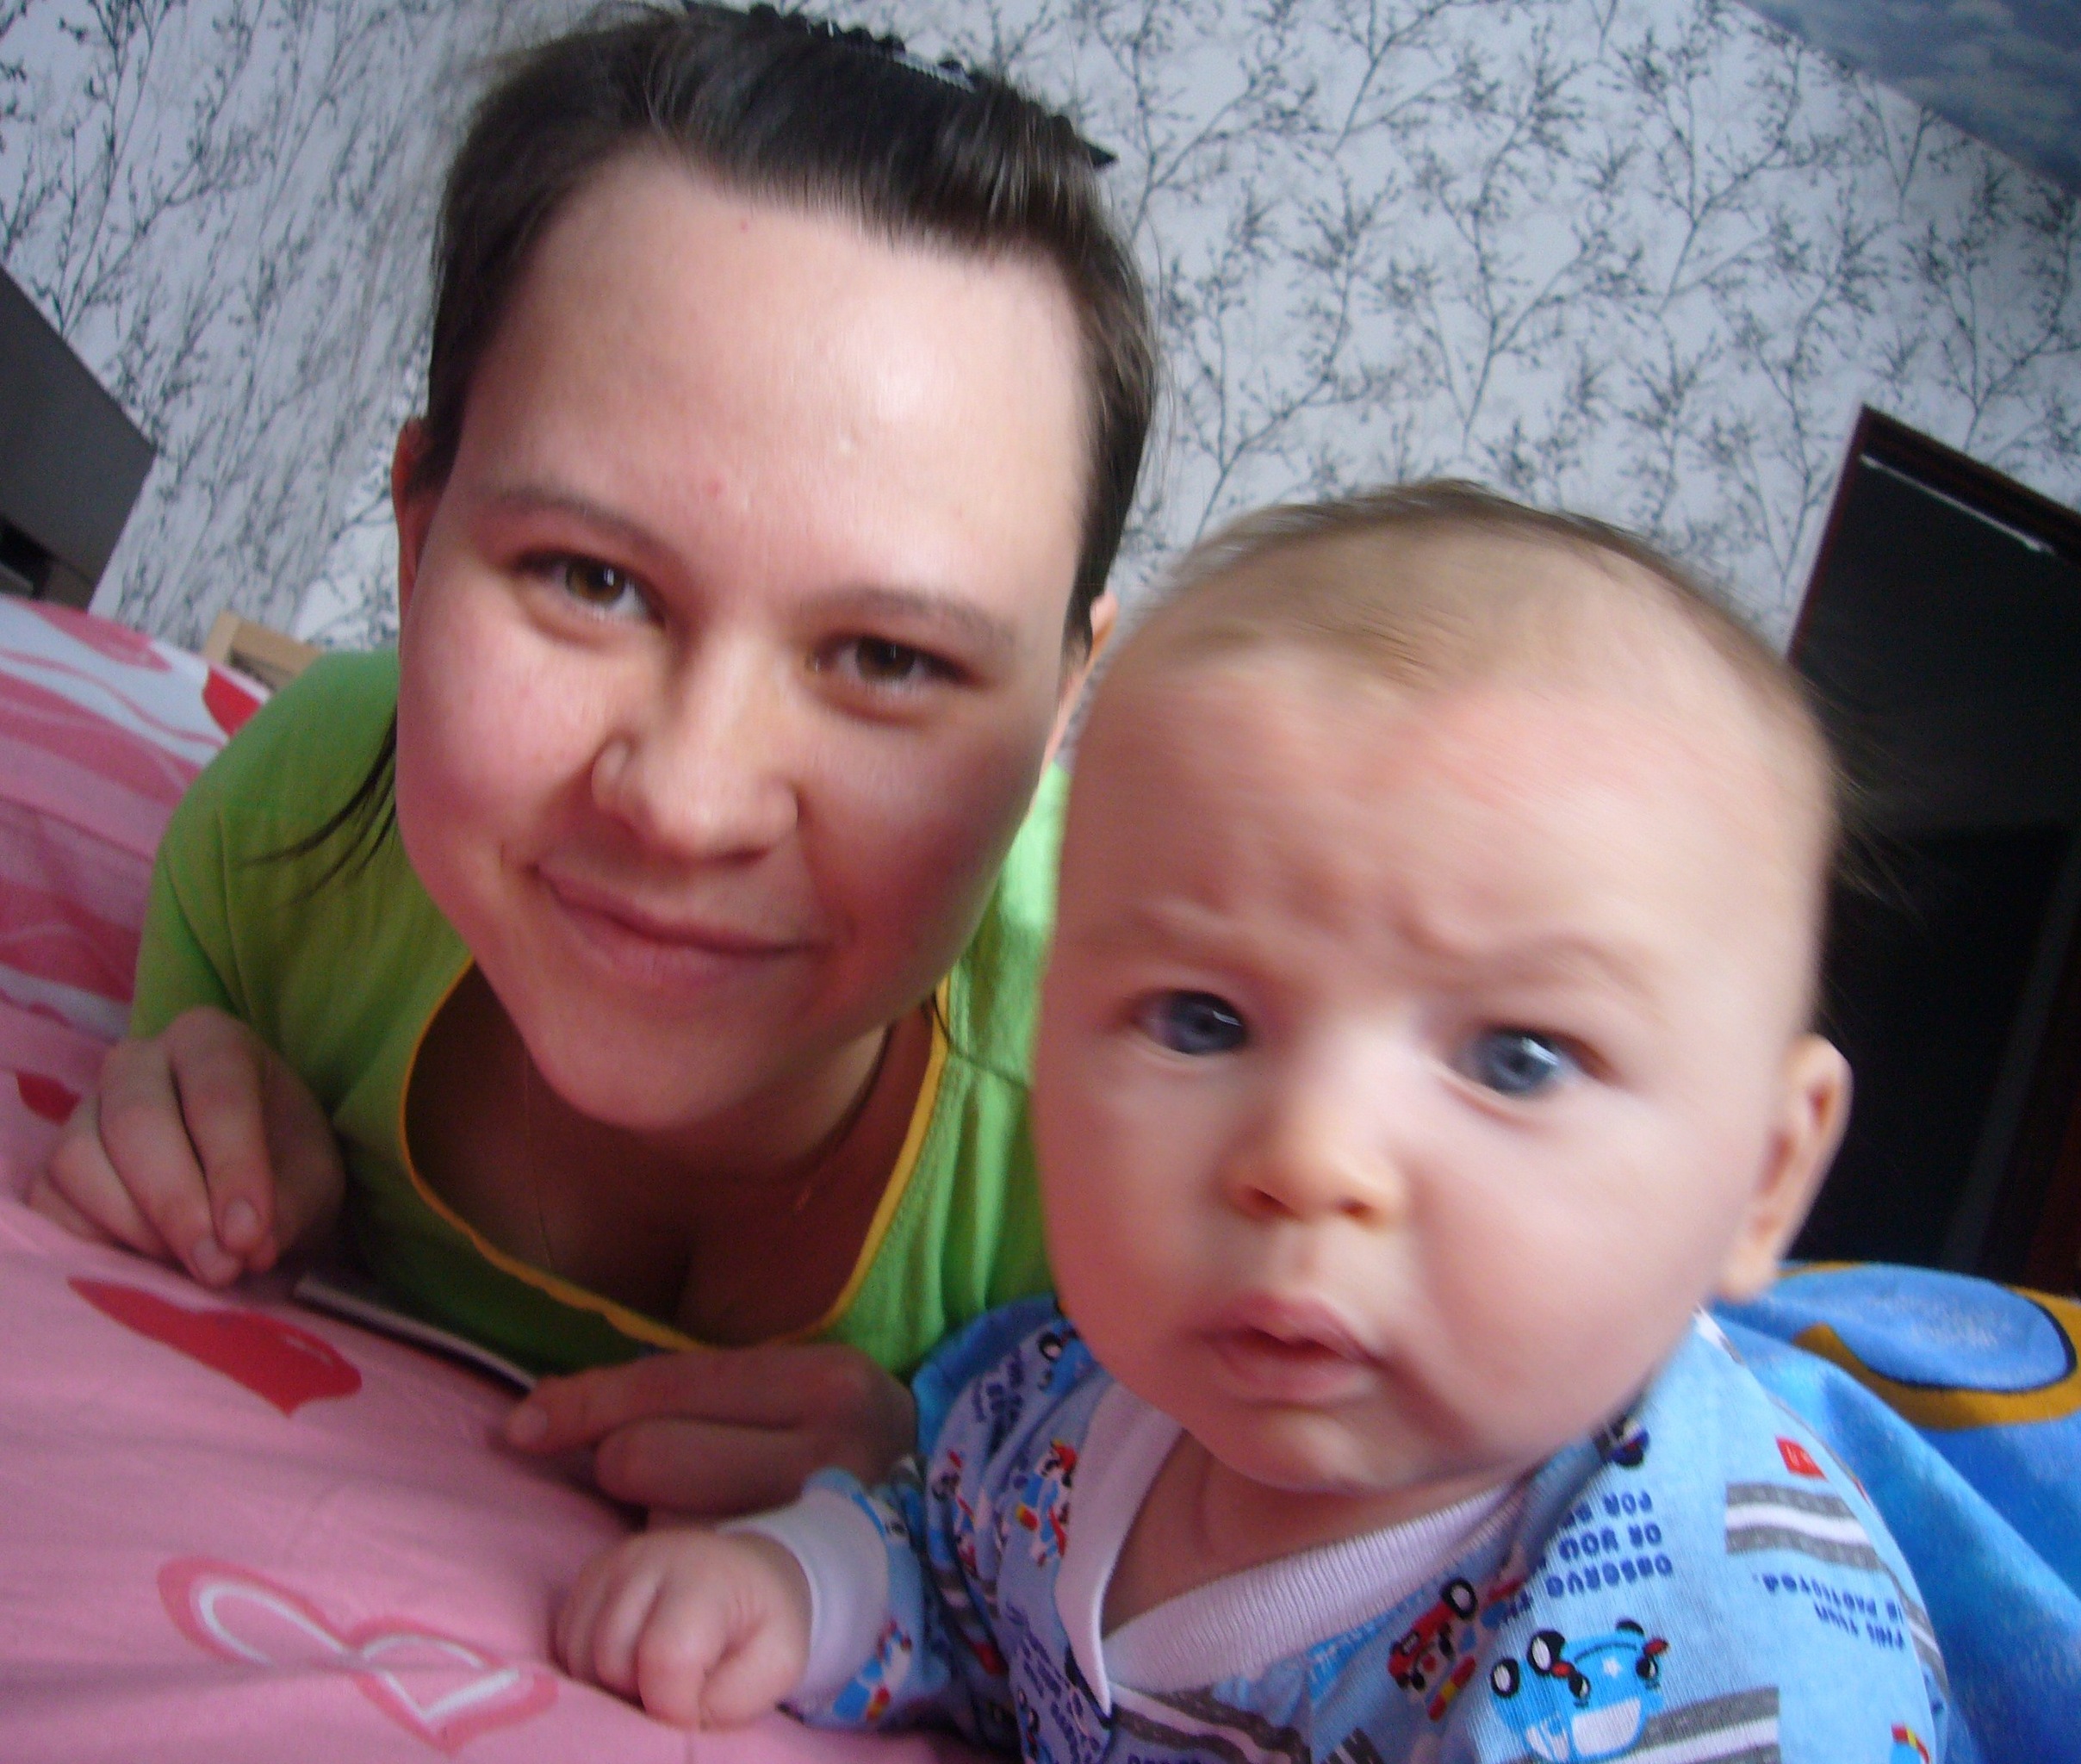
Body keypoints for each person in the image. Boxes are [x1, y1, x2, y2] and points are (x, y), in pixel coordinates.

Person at [556, 483, 1949, 1761]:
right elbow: (959, 1572)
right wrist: (810, 1584)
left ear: (1763, 1175)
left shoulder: (1724, 1653)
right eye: (1201, 1020)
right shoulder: (1061, 1416)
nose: (1307, 1159)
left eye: (1518, 1060)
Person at [28, 3, 1155, 1519]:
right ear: (420, 536)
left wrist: (967, 1496)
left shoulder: (1157, 1134)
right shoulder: (280, 856)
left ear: (1064, 705)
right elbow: (190, 1085)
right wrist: (200, 1115)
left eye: (891, 660)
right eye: (589, 580)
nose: (686, 803)